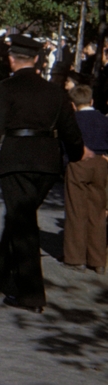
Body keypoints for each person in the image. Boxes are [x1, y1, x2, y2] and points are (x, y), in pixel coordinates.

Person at [0, 34, 88, 313]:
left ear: (12, 59)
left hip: (17, 162)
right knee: (18, 218)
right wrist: (76, 154)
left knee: (23, 225)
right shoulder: (55, 91)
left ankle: (31, 295)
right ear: (36, 59)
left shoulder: (5, 89)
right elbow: (70, 131)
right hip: (48, 164)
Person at [62, 84, 108, 274]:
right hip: (100, 162)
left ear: (73, 105)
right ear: (92, 101)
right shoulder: (103, 119)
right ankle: (98, 260)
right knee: (97, 210)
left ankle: (76, 257)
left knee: (76, 209)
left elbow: (65, 142)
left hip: (78, 162)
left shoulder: (72, 119)